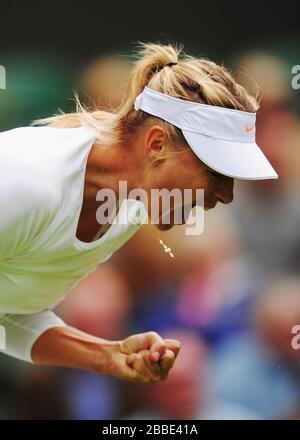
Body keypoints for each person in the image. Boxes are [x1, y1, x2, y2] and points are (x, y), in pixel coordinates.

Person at [0, 42, 277, 384]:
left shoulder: (129, 207)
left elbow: (7, 312)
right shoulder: (27, 183)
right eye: (215, 172)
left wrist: (107, 355)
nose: (224, 196)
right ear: (156, 144)